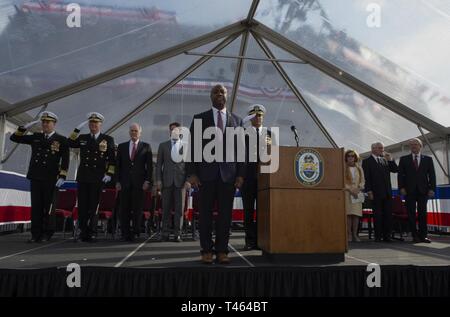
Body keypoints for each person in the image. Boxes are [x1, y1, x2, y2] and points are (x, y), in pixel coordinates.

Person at [187, 84, 245, 264]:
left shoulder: (237, 120)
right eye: (215, 92)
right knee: (204, 215)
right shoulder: (199, 119)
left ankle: (222, 250)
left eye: (222, 92)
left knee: (225, 216)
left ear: (227, 96)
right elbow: (192, 148)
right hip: (205, 176)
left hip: (228, 176)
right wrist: (192, 174)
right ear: (210, 96)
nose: (219, 94)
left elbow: (241, 151)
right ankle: (206, 250)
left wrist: (240, 175)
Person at [10, 111, 69, 243]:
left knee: (48, 207)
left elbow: (65, 160)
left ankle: (47, 233)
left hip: (51, 178)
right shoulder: (36, 137)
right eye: (43, 122)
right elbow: (14, 138)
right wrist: (23, 128)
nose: (45, 124)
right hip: (36, 176)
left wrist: (62, 176)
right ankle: (35, 233)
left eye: (48, 122)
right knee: (36, 206)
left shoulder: (61, 140)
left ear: (54, 124)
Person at [68, 112, 115, 242]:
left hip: (97, 178)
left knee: (94, 206)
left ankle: (93, 231)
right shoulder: (83, 138)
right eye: (91, 123)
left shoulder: (108, 139)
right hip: (83, 177)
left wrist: (109, 174)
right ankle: (83, 231)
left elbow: (112, 160)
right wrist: (77, 129)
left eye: (96, 123)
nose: (93, 125)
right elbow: (70, 142)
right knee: (83, 206)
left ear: (100, 124)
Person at [241, 104, 273, 250]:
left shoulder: (269, 133)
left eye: (260, 115)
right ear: (250, 118)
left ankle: (261, 240)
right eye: (255, 115)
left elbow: (274, 154)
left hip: (264, 177)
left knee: (262, 211)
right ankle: (249, 240)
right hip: (247, 176)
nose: (258, 118)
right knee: (248, 211)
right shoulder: (244, 132)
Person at [115, 123, 152, 242]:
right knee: (124, 208)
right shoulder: (122, 146)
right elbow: (118, 166)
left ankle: (136, 231)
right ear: (129, 132)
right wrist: (117, 181)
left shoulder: (146, 146)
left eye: (136, 131)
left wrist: (147, 181)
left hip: (139, 183)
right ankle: (125, 232)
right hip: (125, 183)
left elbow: (150, 167)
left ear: (140, 132)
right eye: (132, 131)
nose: (133, 133)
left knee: (137, 208)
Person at [398, 138, 436, 243]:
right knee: (411, 214)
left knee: (422, 213)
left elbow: (432, 175)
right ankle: (414, 235)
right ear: (409, 147)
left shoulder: (428, 159)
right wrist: (401, 188)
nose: (413, 146)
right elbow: (400, 175)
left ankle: (423, 236)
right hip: (409, 191)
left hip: (423, 191)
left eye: (416, 144)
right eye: (411, 145)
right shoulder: (404, 159)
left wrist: (432, 188)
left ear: (421, 146)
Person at [155, 122, 188, 242]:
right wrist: (158, 180)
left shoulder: (186, 146)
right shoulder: (163, 145)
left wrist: (188, 180)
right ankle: (165, 233)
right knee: (166, 209)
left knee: (179, 209)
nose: (173, 132)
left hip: (181, 183)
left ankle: (177, 234)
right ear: (169, 132)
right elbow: (159, 165)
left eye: (176, 130)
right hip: (166, 182)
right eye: (171, 130)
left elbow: (190, 166)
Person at [362, 142, 398, 242]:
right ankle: (378, 236)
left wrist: (390, 160)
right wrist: (369, 191)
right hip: (375, 192)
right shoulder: (367, 161)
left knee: (388, 215)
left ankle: (387, 235)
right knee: (377, 215)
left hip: (387, 192)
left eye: (382, 148)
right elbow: (367, 177)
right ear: (373, 149)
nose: (382, 150)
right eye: (380, 148)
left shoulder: (385, 159)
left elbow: (395, 170)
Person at [344, 149, 365, 242]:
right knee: (348, 214)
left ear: (355, 157)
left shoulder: (359, 168)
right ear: (346, 157)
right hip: (347, 193)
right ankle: (349, 235)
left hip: (357, 193)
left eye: (352, 156)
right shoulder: (343, 168)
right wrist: (350, 190)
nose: (351, 158)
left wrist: (359, 188)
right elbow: (342, 181)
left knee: (356, 215)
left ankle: (355, 235)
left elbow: (363, 181)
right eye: (349, 156)